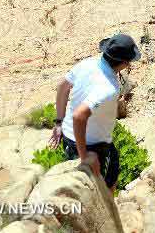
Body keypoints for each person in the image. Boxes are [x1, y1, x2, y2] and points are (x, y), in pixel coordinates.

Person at [49, 34, 141, 192]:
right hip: (92, 147)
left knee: (112, 166)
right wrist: (85, 158)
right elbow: (79, 115)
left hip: (69, 136)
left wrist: (59, 123)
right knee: (101, 191)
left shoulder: (87, 63)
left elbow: (62, 88)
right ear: (125, 63)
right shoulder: (109, 88)